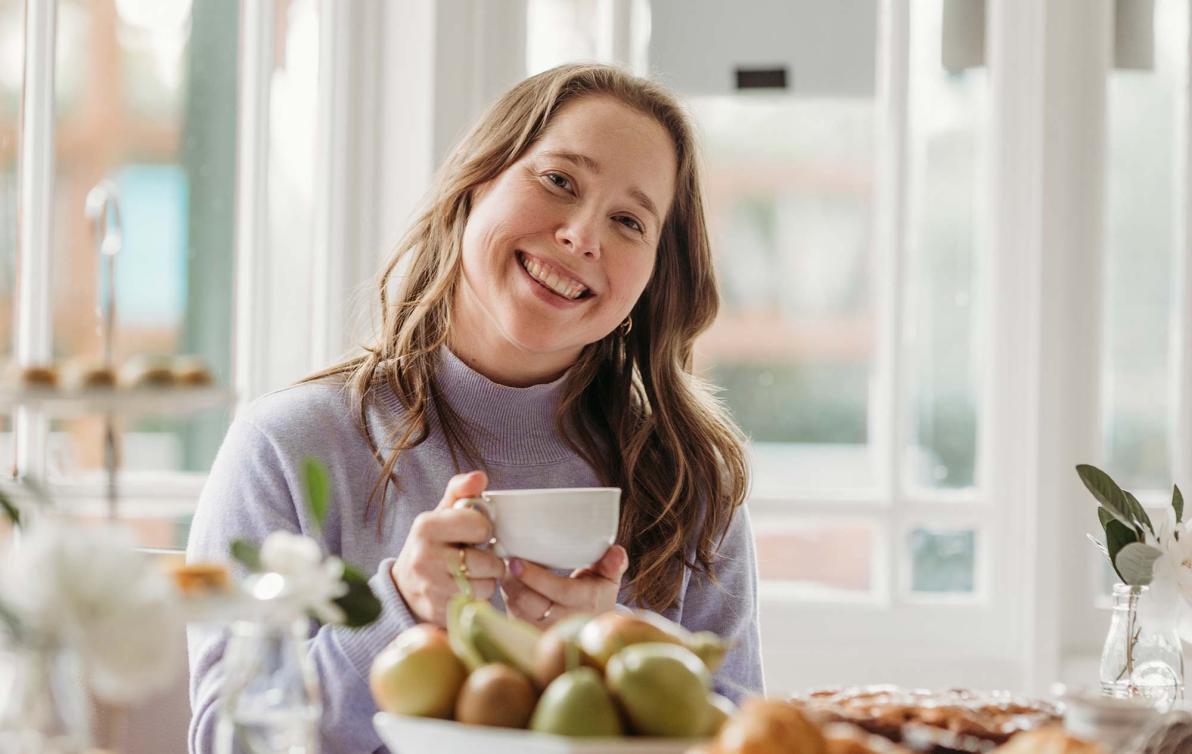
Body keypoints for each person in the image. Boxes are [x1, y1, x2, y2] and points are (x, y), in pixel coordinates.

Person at [186, 62, 762, 754]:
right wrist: (395, 611)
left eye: (629, 220)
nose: (582, 235)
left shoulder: (689, 481)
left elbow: (751, 737)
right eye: (558, 181)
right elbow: (229, 742)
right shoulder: (289, 447)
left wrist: (618, 660)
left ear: (654, 276)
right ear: (476, 181)